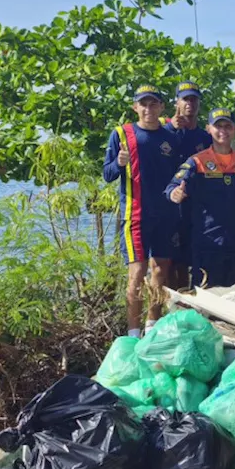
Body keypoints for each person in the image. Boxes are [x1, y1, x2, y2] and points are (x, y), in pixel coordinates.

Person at [103, 84, 183, 337]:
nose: (148, 108)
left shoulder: (171, 138)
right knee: (136, 274)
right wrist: (118, 163)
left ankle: (153, 327)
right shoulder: (122, 134)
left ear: (161, 107)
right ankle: (133, 334)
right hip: (135, 215)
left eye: (153, 104)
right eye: (143, 104)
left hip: (166, 215)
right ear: (135, 107)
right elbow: (107, 174)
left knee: (160, 270)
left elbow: (179, 174)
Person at [164, 109, 235, 288]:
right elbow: (171, 187)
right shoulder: (197, 162)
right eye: (218, 126)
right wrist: (175, 194)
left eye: (228, 126)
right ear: (208, 128)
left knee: (234, 301)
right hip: (206, 244)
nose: (223, 131)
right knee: (206, 302)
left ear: (234, 130)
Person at [164, 81, 211, 289]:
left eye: (194, 99)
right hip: (169, 206)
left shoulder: (205, 137)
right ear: (177, 103)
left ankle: (190, 308)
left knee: (192, 264)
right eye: (185, 99)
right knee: (167, 266)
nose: (190, 103)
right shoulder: (164, 133)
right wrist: (170, 128)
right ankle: (168, 312)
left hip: (197, 209)